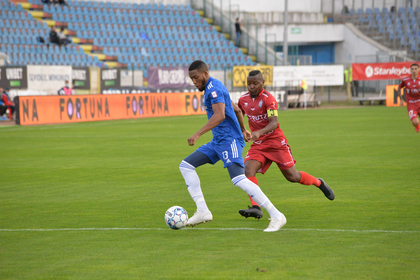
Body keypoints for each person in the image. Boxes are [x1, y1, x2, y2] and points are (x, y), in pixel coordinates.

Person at [179, 60, 287, 232]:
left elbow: (220, 115)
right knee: (186, 166)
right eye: (191, 78)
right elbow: (236, 109)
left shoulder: (213, 89)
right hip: (218, 142)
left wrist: (198, 134)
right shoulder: (213, 87)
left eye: (195, 77)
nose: (194, 81)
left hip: (229, 141)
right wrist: (244, 129)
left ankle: (276, 215)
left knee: (238, 179)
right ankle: (202, 211)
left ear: (205, 74)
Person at [237, 70, 335, 219]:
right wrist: (243, 130)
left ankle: (318, 182)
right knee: (248, 170)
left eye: (255, 83)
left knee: (292, 177)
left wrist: (258, 132)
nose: (251, 86)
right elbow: (239, 114)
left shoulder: (268, 99)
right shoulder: (243, 100)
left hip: (276, 142)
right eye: (249, 83)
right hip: (259, 144)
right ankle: (256, 207)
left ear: (262, 83)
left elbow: (274, 123)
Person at [398, 63, 420, 133]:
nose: (414, 71)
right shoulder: (406, 80)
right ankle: (416, 125)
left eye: (416, 69)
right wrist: (401, 99)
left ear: (419, 70)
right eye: (412, 69)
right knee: (416, 122)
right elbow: (399, 87)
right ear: (410, 70)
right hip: (411, 105)